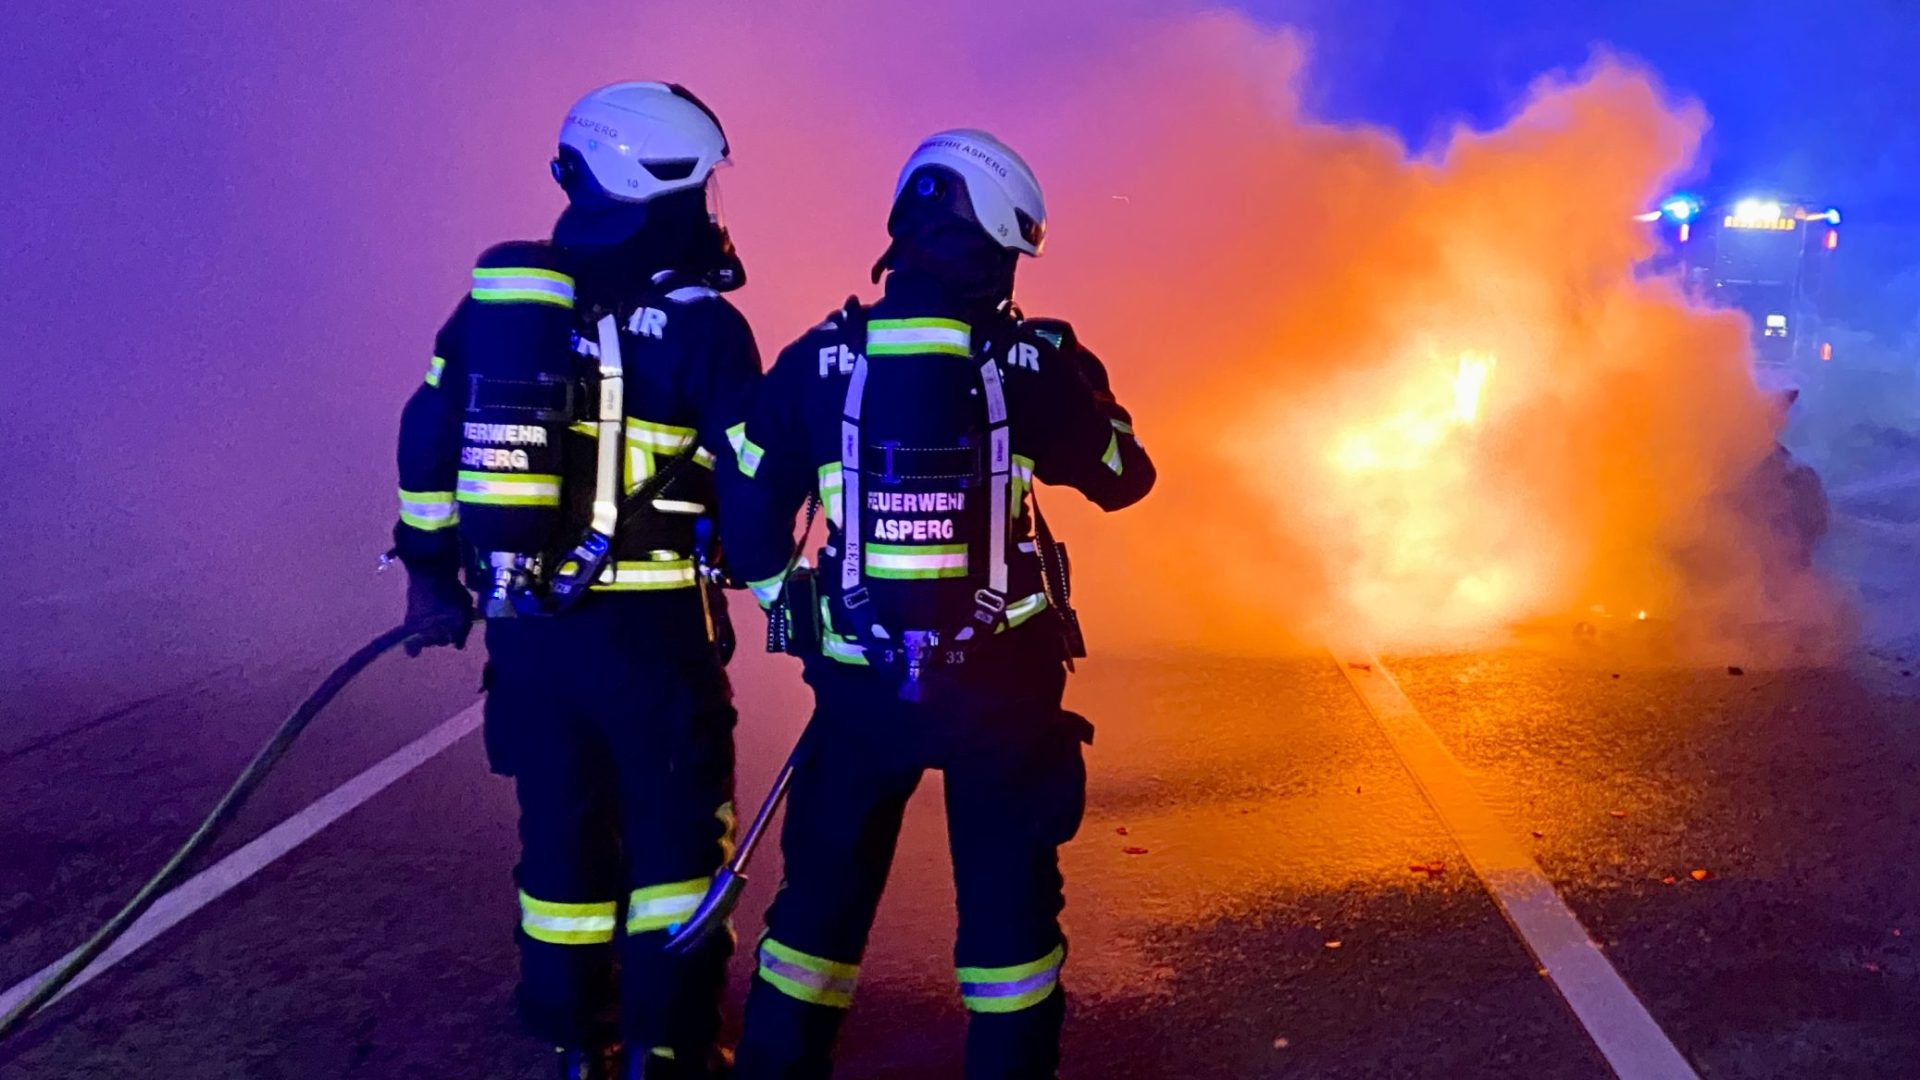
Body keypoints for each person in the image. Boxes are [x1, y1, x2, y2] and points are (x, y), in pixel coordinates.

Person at [719, 129, 1156, 1078]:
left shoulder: (817, 359)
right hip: (1001, 697)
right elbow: (1128, 478)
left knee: (813, 921)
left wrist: (786, 604)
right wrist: (1089, 387)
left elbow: (746, 506)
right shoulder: (1030, 364)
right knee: (1010, 936)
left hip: (859, 695)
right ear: (997, 244)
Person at [391, 81, 760, 1080]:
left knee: (560, 842)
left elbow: (428, 437)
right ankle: (670, 1046)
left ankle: (569, 1040)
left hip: (530, 634)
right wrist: (781, 590)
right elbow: (754, 481)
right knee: (675, 848)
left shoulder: (500, 313)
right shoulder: (704, 328)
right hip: (654, 643)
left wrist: (431, 576)